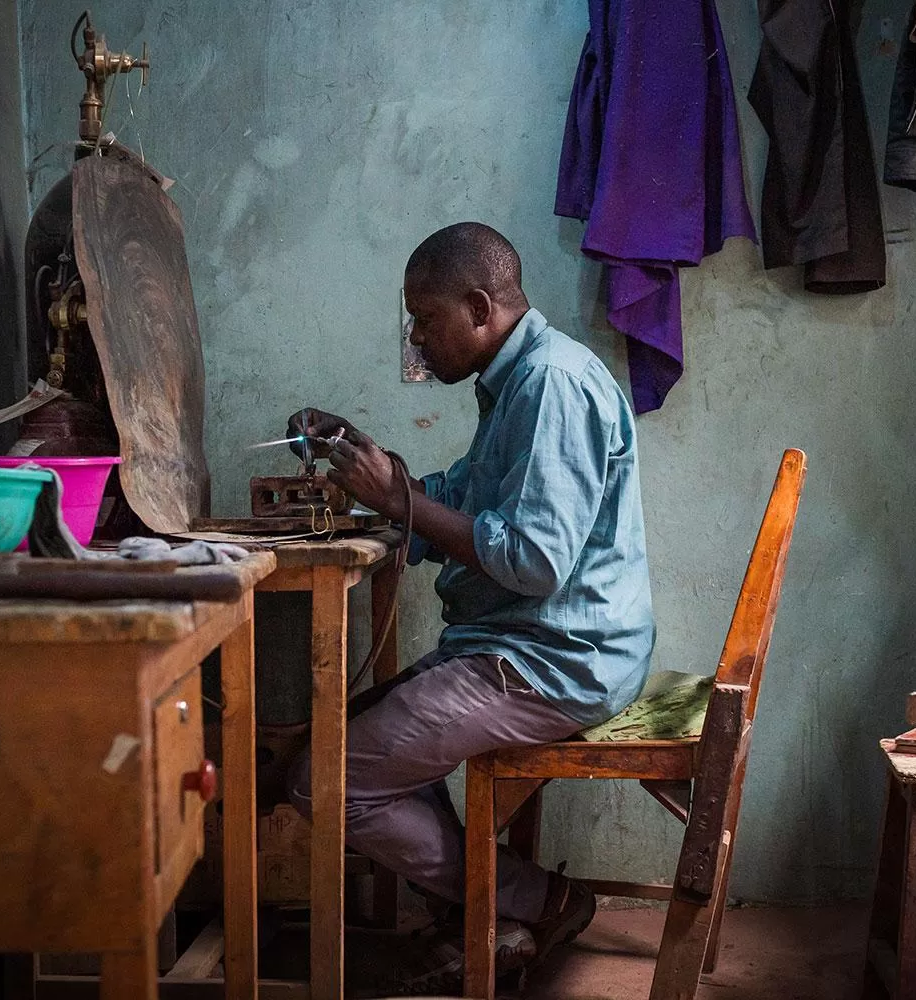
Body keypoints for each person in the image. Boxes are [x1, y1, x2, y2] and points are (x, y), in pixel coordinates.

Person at [286, 222, 655, 993]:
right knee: (361, 734)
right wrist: (373, 462)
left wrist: (396, 499)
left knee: (325, 778)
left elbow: (536, 558)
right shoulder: (517, 382)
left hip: (554, 660)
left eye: (424, 318)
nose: (416, 339)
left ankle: (540, 902)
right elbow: (458, 501)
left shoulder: (553, 384)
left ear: (480, 306)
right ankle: (490, 919)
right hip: (522, 646)